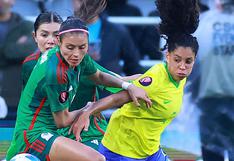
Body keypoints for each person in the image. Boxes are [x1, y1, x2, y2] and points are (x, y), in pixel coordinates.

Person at [6, 16, 151, 161]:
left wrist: (128, 86)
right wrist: (89, 109)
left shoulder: (79, 56)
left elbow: (99, 76)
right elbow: (62, 121)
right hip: (35, 133)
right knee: (96, 159)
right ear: (59, 42)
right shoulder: (56, 72)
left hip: (54, 130)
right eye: (70, 47)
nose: (76, 54)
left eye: (82, 47)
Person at [69, 0, 200, 160]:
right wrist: (87, 112)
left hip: (149, 149)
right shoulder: (156, 79)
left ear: (194, 60)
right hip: (123, 149)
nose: (182, 67)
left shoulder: (179, 77)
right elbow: (117, 98)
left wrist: (131, 79)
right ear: (168, 57)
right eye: (177, 60)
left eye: (188, 61)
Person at [190, 0, 234, 160]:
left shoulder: (204, 25)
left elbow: (191, 65)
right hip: (211, 99)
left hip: (209, 98)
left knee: (212, 154)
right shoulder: (204, 24)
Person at [73, 0, 143, 76]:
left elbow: (133, 67)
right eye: (80, 0)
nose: (86, 4)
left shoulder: (117, 31)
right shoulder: (62, 32)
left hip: (108, 86)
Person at [0, 0, 37, 110]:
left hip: (16, 98)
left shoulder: (26, 26)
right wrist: (13, 47)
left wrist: (5, 51)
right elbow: (14, 52)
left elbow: (28, 50)